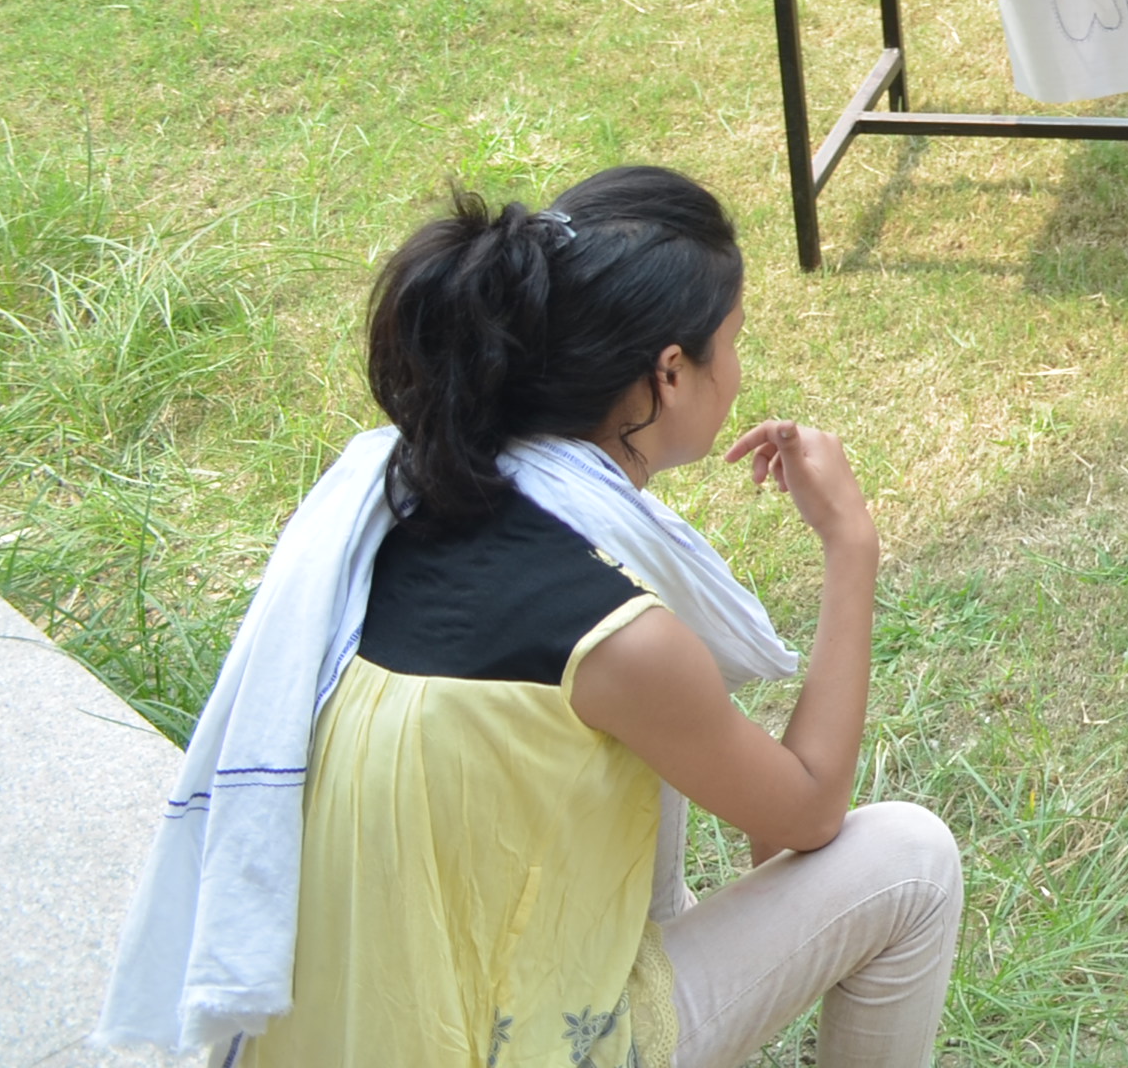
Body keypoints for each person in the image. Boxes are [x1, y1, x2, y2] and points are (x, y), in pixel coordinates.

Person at [101, 166, 963, 1068]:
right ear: (670, 373)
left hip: (335, 1037)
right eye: (733, 341)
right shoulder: (622, 639)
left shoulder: (395, 510)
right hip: (493, 1047)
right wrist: (850, 546)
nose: (739, 370)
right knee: (910, 859)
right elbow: (800, 822)